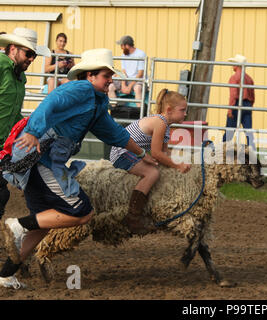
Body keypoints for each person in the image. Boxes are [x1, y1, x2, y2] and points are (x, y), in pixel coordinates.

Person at [0, 48, 157, 289]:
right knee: (81, 212)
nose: (111, 81)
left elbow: (114, 133)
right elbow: (52, 101)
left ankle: (6, 274)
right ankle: (17, 225)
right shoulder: (81, 89)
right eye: (107, 76)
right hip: (43, 158)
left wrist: (141, 153)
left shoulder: (96, 102)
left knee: (44, 223)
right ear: (90, 76)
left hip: (47, 159)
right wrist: (32, 131)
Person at [110, 88, 191, 234]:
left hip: (133, 152)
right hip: (122, 152)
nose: (185, 113)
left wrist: (184, 158)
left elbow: (165, 152)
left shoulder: (166, 125)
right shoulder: (160, 123)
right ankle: (132, 217)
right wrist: (178, 166)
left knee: (157, 168)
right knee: (152, 173)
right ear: (169, 109)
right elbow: (156, 153)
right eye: (182, 110)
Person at [0, 28, 50, 220]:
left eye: (34, 55)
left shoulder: (20, 78)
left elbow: (11, 113)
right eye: (28, 53)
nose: (31, 59)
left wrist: (30, 128)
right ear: (13, 49)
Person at [222, 54, 255, 148]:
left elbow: (233, 95)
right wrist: (249, 105)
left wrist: (230, 109)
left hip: (236, 104)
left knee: (229, 131)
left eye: (234, 63)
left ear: (237, 65)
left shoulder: (234, 78)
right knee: (248, 131)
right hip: (247, 104)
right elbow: (252, 96)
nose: (232, 65)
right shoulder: (249, 79)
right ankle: (252, 152)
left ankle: (221, 151)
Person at [108, 35, 146, 108]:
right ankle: (115, 109)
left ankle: (140, 112)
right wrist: (123, 85)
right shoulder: (124, 55)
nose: (121, 47)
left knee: (137, 88)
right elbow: (123, 72)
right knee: (110, 87)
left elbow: (140, 73)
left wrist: (129, 87)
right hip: (126, 79)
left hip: (137, 80)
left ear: (127, 45)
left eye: (122, 45)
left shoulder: (140, 54)